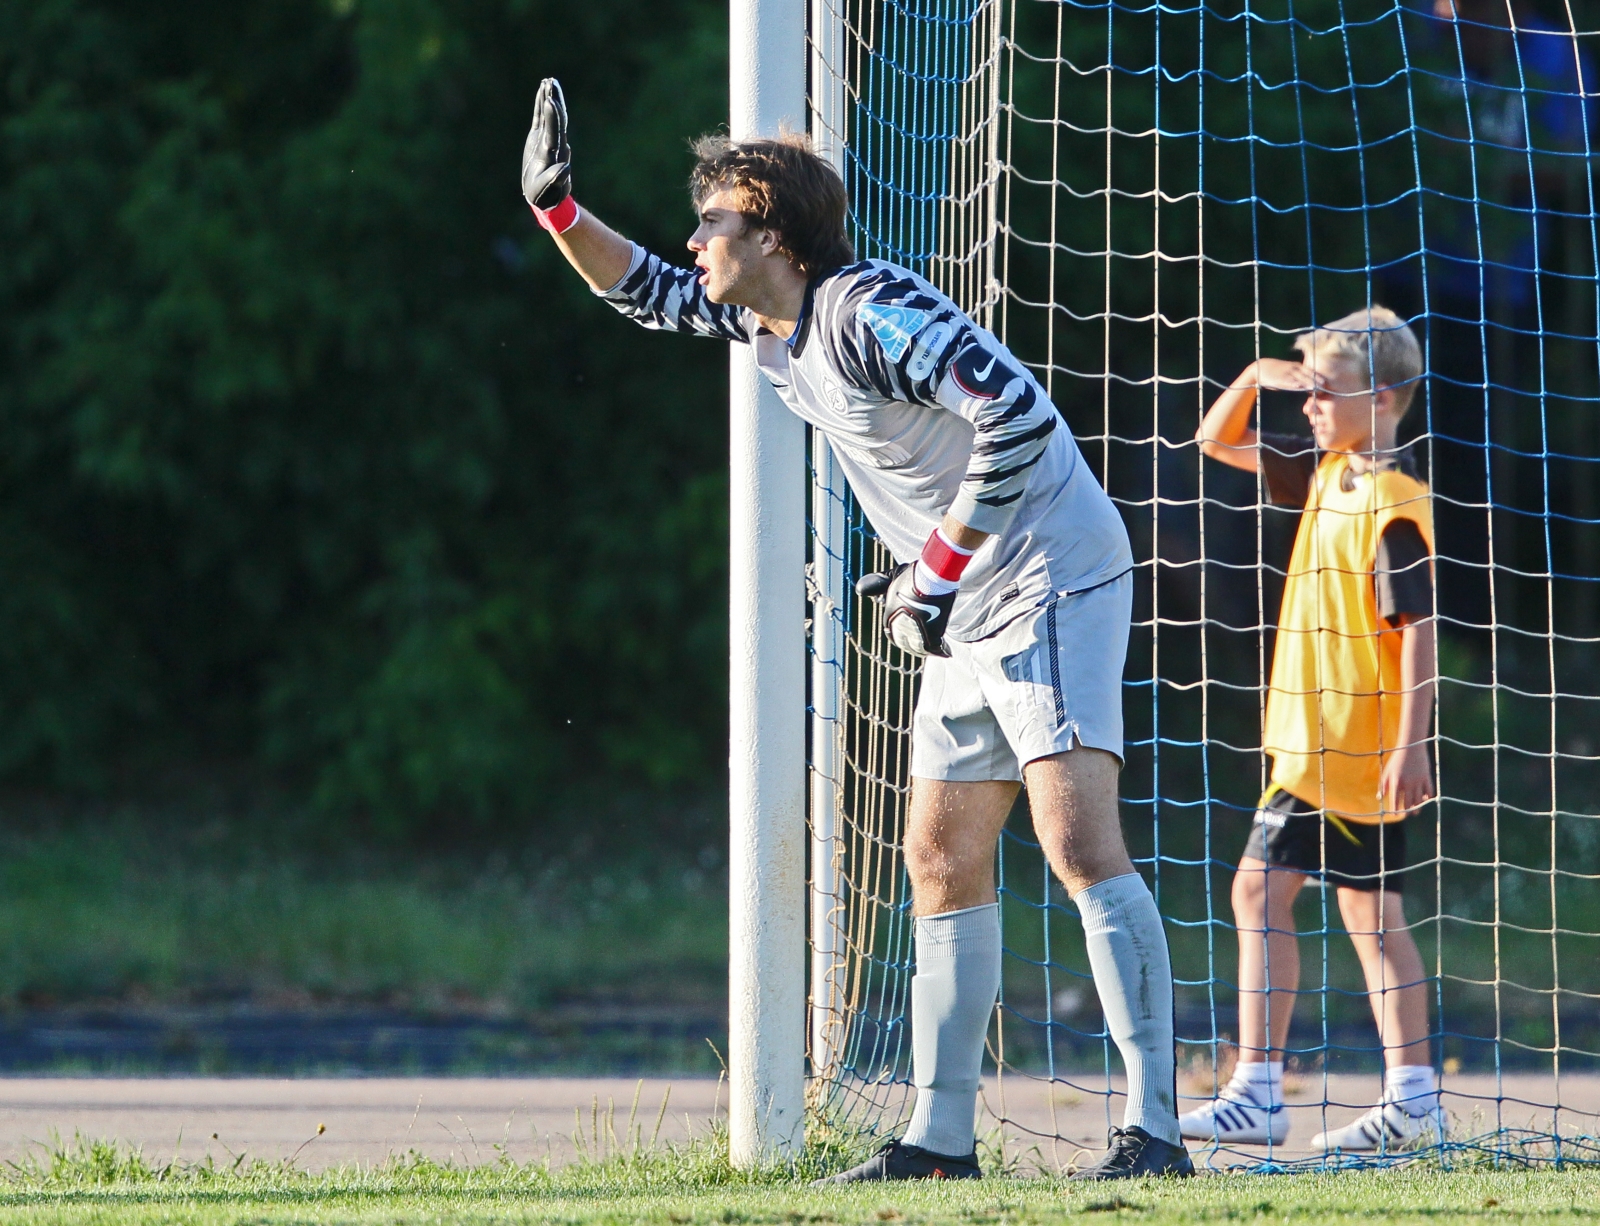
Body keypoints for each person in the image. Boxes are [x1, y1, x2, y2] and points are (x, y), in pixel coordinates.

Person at [520, 80, 1191, 1180]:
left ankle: (1154, 1135)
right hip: (964, 599)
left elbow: (1018, 414)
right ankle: (939, 1141)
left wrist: (935, 569)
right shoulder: (766, 316)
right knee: (938, 855)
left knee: (1076, 843)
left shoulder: (869, 308)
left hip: (1048, 576)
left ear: (772, 234)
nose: (693, 239)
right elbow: (643, 291)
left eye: (713, 221)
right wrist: (555, 209)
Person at [1181, 308, 1444, 1153]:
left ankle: (1260, 1091)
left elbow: (1419, 632)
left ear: (1385, 397)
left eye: (1326, 391)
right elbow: (1215, 440)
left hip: (1349, 749)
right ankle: (1411, 1099)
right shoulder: (1330, 470)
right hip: (1317, 744)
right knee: (1369, 915)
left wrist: (1410, 745)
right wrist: (1256, 376)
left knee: (1261, 895)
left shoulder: (1392, 503)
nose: (1310, 405)